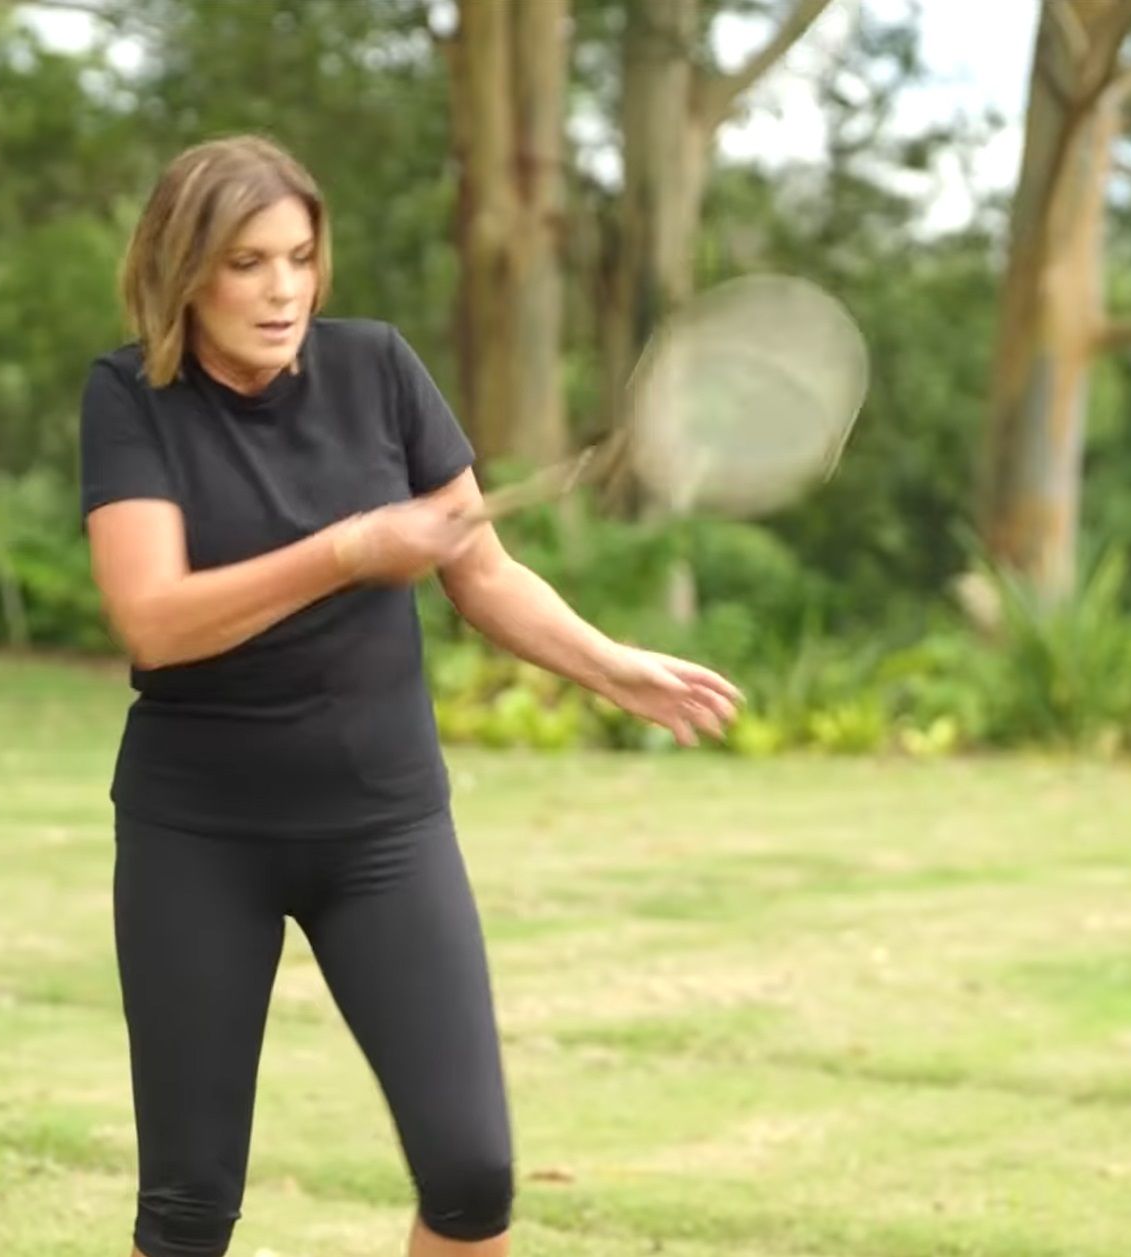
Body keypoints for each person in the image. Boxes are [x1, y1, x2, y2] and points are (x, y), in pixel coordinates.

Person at [78, 134, 740, 1257]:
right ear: (184, 268)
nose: (283, 290)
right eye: (247, 262)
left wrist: (608, 663)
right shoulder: (131, 398)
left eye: (300, 257)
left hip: (382, 832)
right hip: (199, 836)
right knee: (188, 1210)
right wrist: (349, 550)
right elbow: (155, 619)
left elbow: (480, 573)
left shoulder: (378, 369)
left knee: (473, 1176)